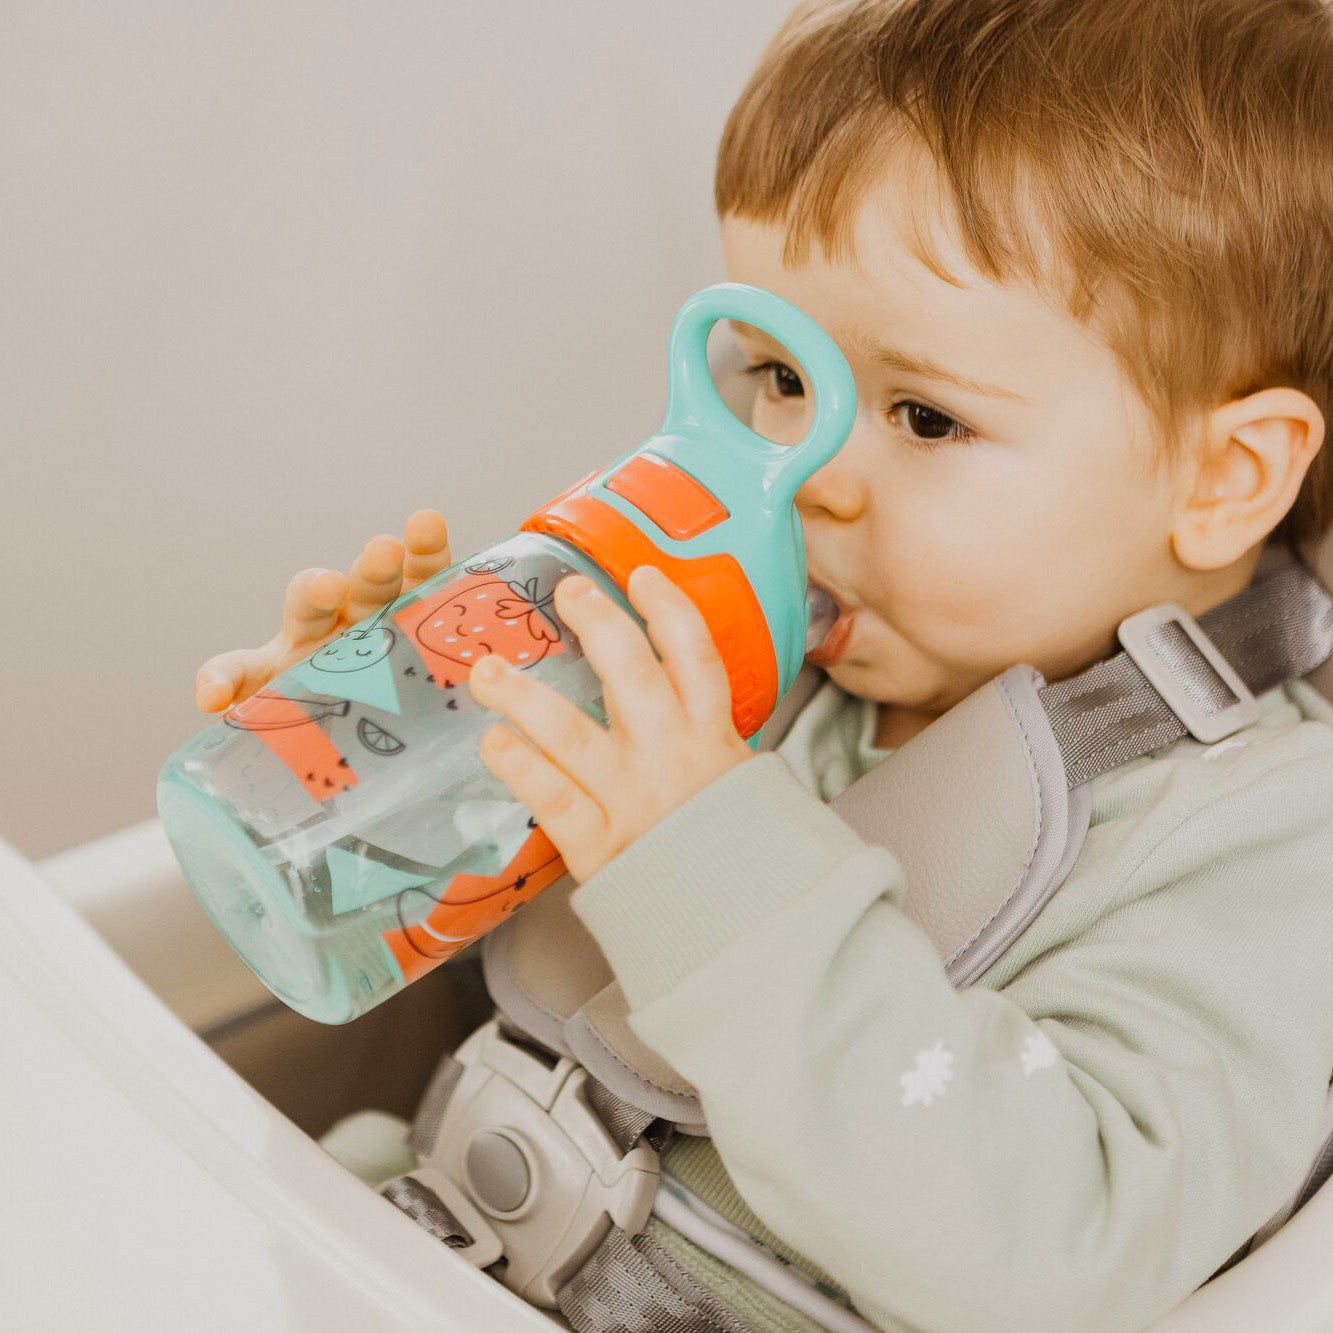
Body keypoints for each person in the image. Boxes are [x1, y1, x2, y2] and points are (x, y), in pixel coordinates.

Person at [194, 1, 1333, 1327]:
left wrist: (708, 861)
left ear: (1224, 475)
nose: (805, 475)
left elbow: (1047, 1251)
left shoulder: (1269, 840)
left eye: (921, 415)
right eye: (782, 377)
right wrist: (396, 747)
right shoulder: (769, 657)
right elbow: (532, 973)